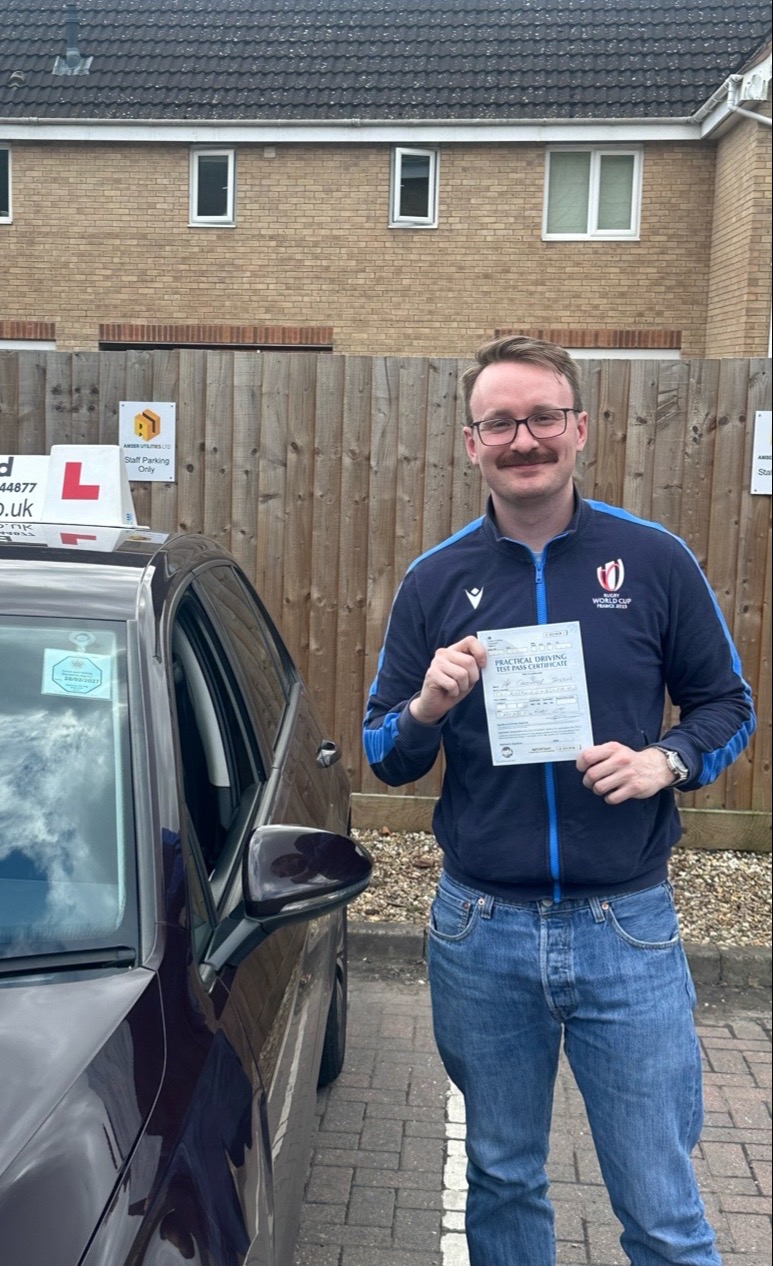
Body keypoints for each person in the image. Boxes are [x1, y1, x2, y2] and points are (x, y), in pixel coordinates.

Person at [363, 336, 755, 1266]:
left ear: (578, 429)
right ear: (471, 444)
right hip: (480, 930)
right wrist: (426, 705)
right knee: (501, 1178)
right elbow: (384, 753)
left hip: (627, 925)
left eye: (542, 417)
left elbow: (726, 707)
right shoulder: (433, 581)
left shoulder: (652, 560)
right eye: (498, 422)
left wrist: (667, 762)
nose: (522, 438)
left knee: (660, 1206)